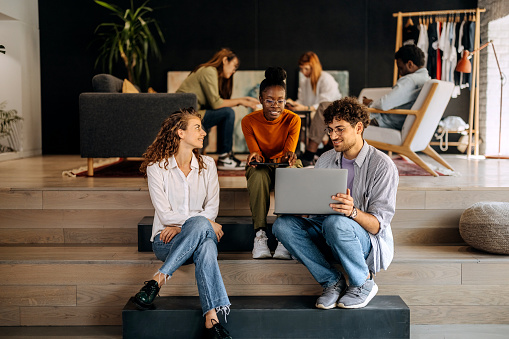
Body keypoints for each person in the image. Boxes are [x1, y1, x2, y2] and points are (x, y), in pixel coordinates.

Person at [273, 97, 398, 310]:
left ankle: (363, 282)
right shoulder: (325, 159)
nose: (332, 136)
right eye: (330, 129)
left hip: (364, 240)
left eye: (339, 129)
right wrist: (305, 210)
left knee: (336, 223)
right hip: (328, 230)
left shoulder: (382, 166)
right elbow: (320, 208)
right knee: (282, 225)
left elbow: (378, 226)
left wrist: (353, 212)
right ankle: (332, 280)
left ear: (358, 128)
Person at [135, 108, 233, 339]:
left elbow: (212, 209)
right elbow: (166, 215)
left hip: (189, 237)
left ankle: (158, 281)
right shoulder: (156, 168)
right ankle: (212, 320)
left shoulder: (208, 165)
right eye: (197, 127)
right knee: (204, 234)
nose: (204, 132)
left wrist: (192, 225)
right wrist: (199, 223)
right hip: (165, 241)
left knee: (205, 242)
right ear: (180, 133)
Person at [241, 67, 302, 260]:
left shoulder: (293, 119)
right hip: (263, 165)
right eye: (269, 101)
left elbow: (287, 153)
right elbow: (255, 152)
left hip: (283, 162)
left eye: (280, 101)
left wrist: (289, 157)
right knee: (257, 175)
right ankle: (260, 235)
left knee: (290, 173)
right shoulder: (248, 121)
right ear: (260, 99)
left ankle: (284, 238)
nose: (275, 106)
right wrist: (256, 157)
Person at [177, 48, 259, 170]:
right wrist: (242, 101)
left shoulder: (214, 74)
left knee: (226, 113)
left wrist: (243, 100)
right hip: (186, 115)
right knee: (227, 113)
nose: (234, 70)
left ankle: (226, 156)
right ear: (225, 60)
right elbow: (216, 104)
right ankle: (225, 157)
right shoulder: (209, 71)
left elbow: (215, 103)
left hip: (194, 113)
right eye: (234, 66)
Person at [286, 52, 342, 167]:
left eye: (306, 69)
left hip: (332, 114)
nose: (303, 72)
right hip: (312, 112)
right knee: (292, 117)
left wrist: (306, 108)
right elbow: (302, 101)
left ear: (313, 67)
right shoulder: (304, 82)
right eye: (301, 69)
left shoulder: (327, 79)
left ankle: (310, 152)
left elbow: (326, 104)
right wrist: (293, 104)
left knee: (320, 110)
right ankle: (298, 152)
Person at [363, 44, 430, 130]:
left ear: (410, 64)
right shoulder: (426, 79)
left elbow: (384, 104)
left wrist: (370, 103)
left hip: (384, 122)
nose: (400, 73)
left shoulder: (410, 80)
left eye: (401, 68)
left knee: (347, 123)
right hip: (396, 122)